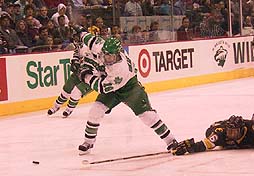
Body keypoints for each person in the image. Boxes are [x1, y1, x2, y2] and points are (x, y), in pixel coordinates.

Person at [77, 34, 178, 154]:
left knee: (147, 116)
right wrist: (79, 33)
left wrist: (85, 76)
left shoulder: (119, 70)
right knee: (96, 110)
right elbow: (91, 39)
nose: (107, 59)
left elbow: (101, 87)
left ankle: (171, 140)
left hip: (130, 89)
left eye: (111, 57)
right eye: (106, 55)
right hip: (113, 88)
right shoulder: (104, 48)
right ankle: (88, 142)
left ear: (118, 54)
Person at [172, 115, 254, 156]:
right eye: (229, 131)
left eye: (234, 132)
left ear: (243, 130)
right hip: (214, 127)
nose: (231, 135)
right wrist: (190, 148)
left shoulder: (251, 131)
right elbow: (204, 144)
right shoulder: (220, 133)